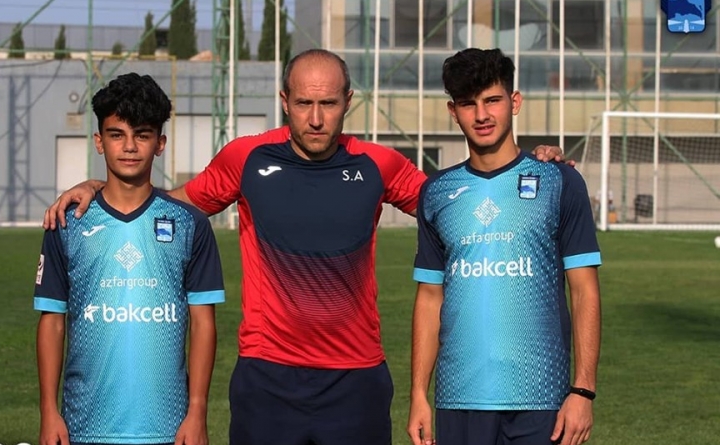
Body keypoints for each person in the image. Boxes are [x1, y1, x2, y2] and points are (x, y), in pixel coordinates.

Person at [43, 49, 566, 445]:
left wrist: (528, 164)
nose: (316, 118)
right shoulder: (246, 158)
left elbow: (458, 200)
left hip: (356, 380)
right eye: (304, 104)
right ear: (284, 101)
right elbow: (172, 203)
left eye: (328, 104)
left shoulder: (379, 164)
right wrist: (99, 186)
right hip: (267, 378)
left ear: (348, 102)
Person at [408, 48, 602, 445]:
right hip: (459, 396)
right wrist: (418, 395)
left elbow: (584, 290)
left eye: (492, 100)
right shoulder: (436, 192)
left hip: (542, 397)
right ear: (453, 111)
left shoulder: (559, 182)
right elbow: (429, 297)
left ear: (514, 102)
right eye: (468, 104)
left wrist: (583, 390)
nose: (481, 115)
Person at [34, 73, 225, 445]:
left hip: (168, 428)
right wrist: (48, 411)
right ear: (99, 141)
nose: (129, 147)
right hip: (84, 426)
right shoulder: (67, 223)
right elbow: (52, 321)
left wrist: (197, 411)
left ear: (160, 143)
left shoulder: (191, 224)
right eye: (116, 134)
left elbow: (204, 324)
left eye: (142, 134)